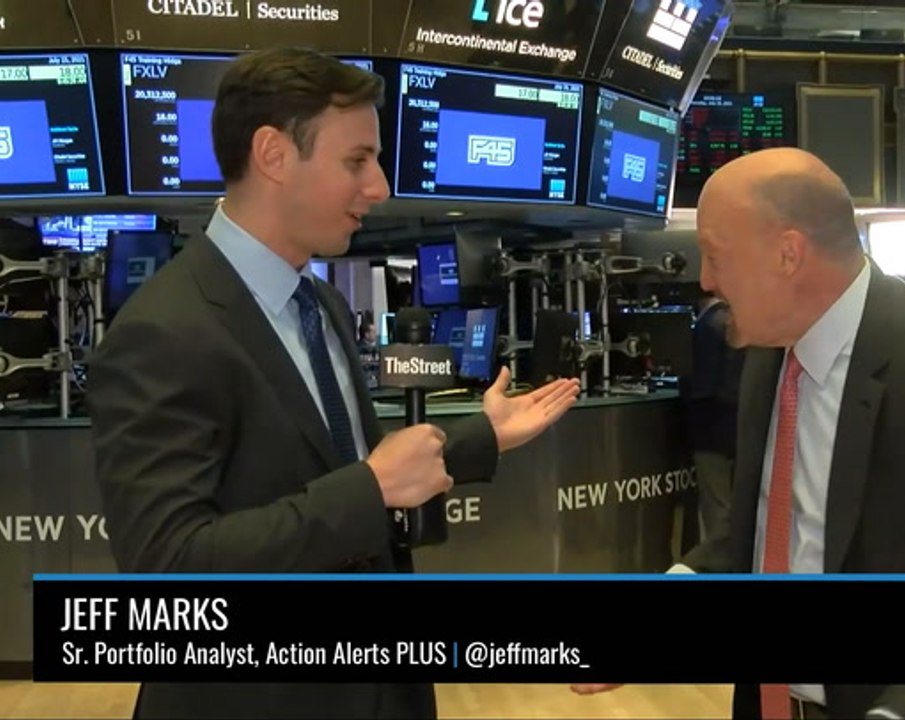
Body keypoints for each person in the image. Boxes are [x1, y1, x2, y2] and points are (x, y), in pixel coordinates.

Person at [86, 47, 579, 720]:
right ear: (273, 154)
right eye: (357, 160)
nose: (378, 187)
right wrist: (371, 488)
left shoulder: (321, 304)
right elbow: (169, 568)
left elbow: (341, 464)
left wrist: (479, 437)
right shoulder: (164, 330)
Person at [572, 148, 905, 719]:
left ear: (788, 254)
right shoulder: (770, 354)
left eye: (716, 257)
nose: (706, 280)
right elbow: (762, 532)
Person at [680, 290, 744, 541]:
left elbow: (703, 383)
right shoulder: (733, 320)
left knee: (716, 507)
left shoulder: (707, 325)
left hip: (710, 431)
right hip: (735, 427)